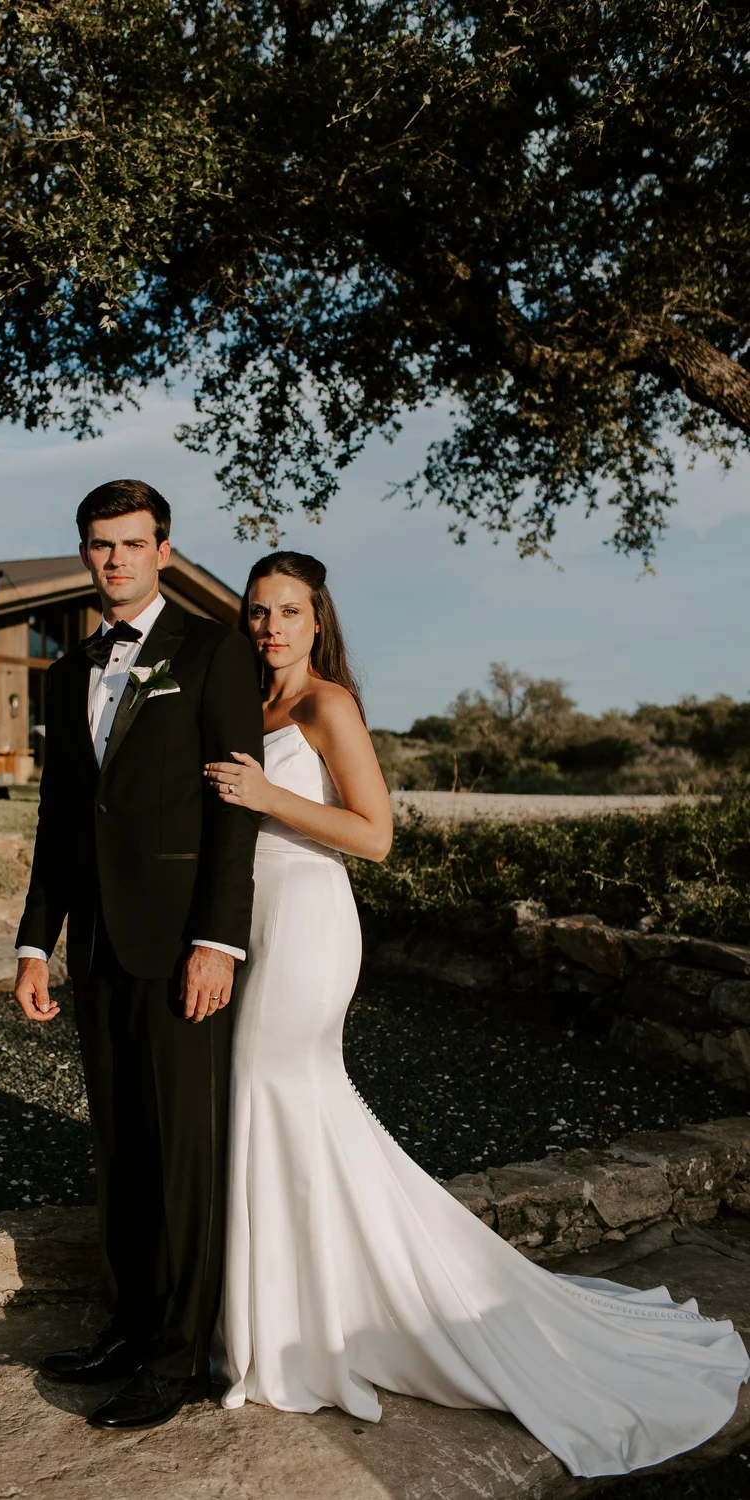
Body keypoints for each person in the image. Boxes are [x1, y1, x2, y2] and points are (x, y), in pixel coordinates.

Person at [205, 550, 750, 1478]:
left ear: (316, 618)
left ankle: (306, 1332)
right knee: (287, 1115)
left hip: (306, 923)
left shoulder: (328, 705)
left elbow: (376, 835)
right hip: (255, 920)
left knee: (275, 1090)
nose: (271, 627)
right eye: (258, 611)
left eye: (288, 611)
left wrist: (267, 795)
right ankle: (295, 1313)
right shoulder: (250, 704)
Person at [13, 480, 262, 1431]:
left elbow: (233, 809)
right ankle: (126, 1326)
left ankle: (178, 1357)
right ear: (85, 551)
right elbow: (60, 820)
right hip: (97, 946)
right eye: (99, 543)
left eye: (131, 543)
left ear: (164, 550)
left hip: (180, 944)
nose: (114, 558)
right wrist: (36, 942)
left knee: (182, 1153)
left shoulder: (213, 651)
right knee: (120, 1145)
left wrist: (217, 941)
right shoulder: (67, 668)